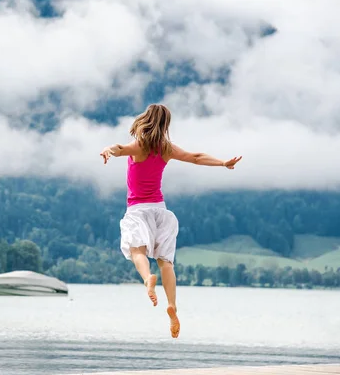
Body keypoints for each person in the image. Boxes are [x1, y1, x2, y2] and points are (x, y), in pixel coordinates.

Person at [99, 103, 242, 338]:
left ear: (145, 119)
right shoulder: (166, 148)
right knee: (167, 262)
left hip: (138, 211)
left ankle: (147, 280)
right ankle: (172, 305)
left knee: (138, 252)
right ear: (166, 124)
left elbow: (118, 147)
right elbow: (196, 157)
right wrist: (223, 163)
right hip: (161, 211)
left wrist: (108, 150)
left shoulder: (138, 146)